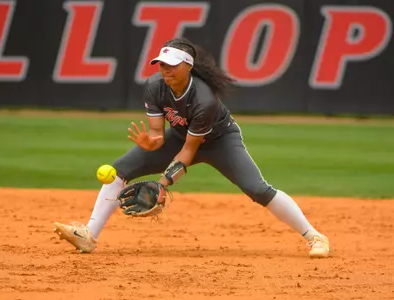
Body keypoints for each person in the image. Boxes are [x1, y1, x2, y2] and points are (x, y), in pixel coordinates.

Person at [54, 38, 330, 258]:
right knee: (120, 169)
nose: (165, 69)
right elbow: (157, 135)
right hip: (178, 136)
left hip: (220, 141)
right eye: (161, 64)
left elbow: (189, 151)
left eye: (171, 64)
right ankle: (88, 236)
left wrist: (162, 184)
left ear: (188, 66)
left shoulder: (204, 99)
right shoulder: (154, 87)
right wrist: (150, 143)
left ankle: (314, 236)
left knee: (258, 189)